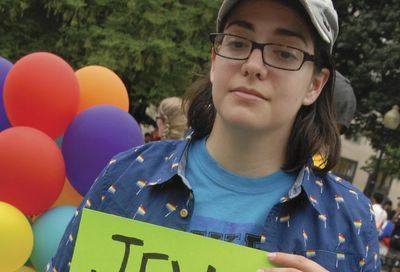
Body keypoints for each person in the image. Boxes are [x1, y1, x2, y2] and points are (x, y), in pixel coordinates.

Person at [49, 0, 380, 271]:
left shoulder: (347, 221)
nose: (253, 65)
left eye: (284, 52)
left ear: (314, 85)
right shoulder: (125, 176)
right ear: (214, 60)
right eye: (237, 43)